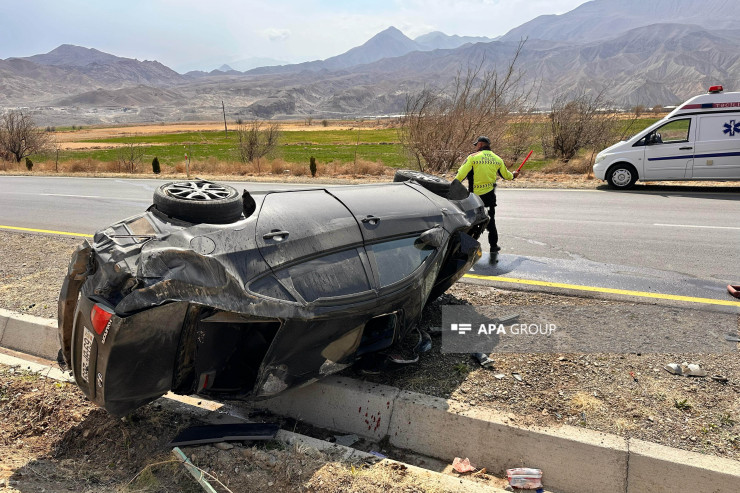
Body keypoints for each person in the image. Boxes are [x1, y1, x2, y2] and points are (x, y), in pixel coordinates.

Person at [455, 136, 518, 263]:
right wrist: (514, 175)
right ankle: (494, 247)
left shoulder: (473, 157)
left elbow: (461, 175)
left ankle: (466, 249)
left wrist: (452, 186)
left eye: (476, 144)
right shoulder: (497, 159)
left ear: (480, 144)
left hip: (474, 198)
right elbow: (506, 175)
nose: (475, 147)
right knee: (491, 222)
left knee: (470, 222)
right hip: (489, 197)